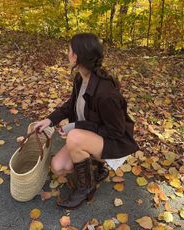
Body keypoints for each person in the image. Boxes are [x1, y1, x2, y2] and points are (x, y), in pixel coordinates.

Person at [34, 32, 139, 209]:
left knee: (74, 136)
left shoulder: (106, 93)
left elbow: (116, 132)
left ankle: (86, 188)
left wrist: (76, 126)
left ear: (77, 56)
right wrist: (49, 120)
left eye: (69, 50)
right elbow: (71, 104)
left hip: (115, 143)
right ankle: (97, 169)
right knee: (57, 167)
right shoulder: (80, 78)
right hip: (91, 135)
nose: (67, 54)